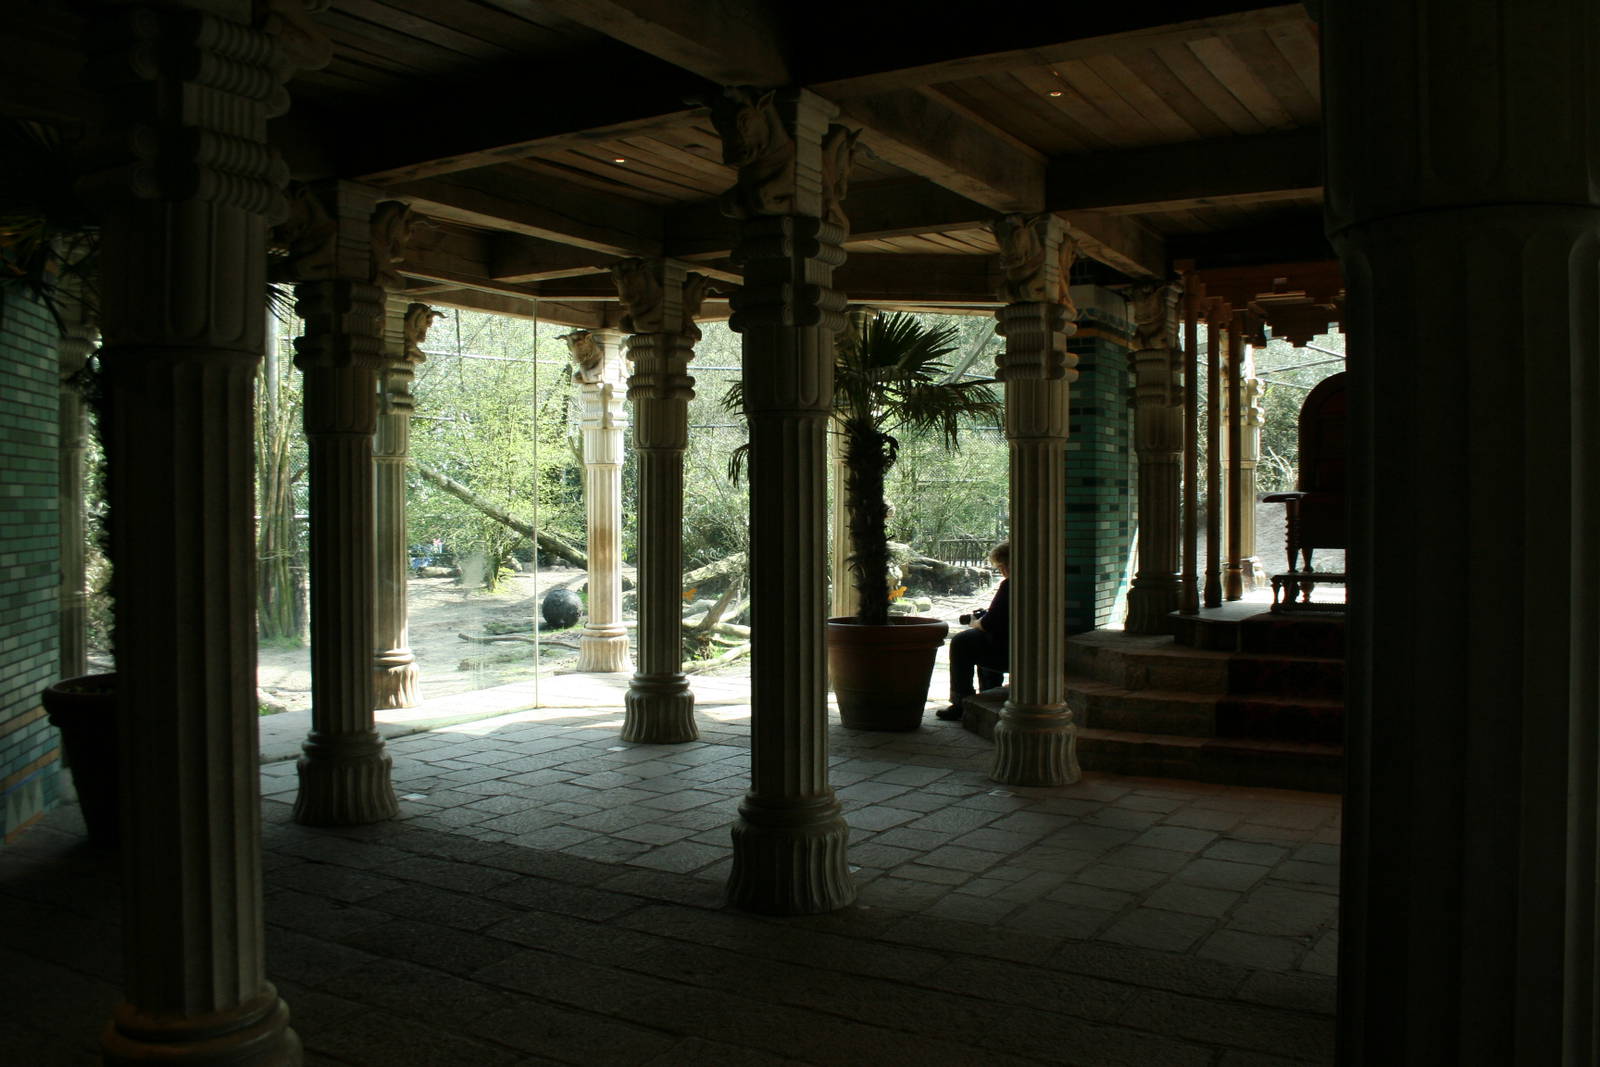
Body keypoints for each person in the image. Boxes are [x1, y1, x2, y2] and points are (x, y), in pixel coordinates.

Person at [937, 541, 1009, 721]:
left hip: (1007, 651)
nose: (1001, 572)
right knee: (982, 640)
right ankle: (989, 690)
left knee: (963, 641)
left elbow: (989, 624)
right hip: (1018, 646)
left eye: (1001, 567)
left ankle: (960, 701)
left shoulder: (1010, 585)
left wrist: (975, 623)